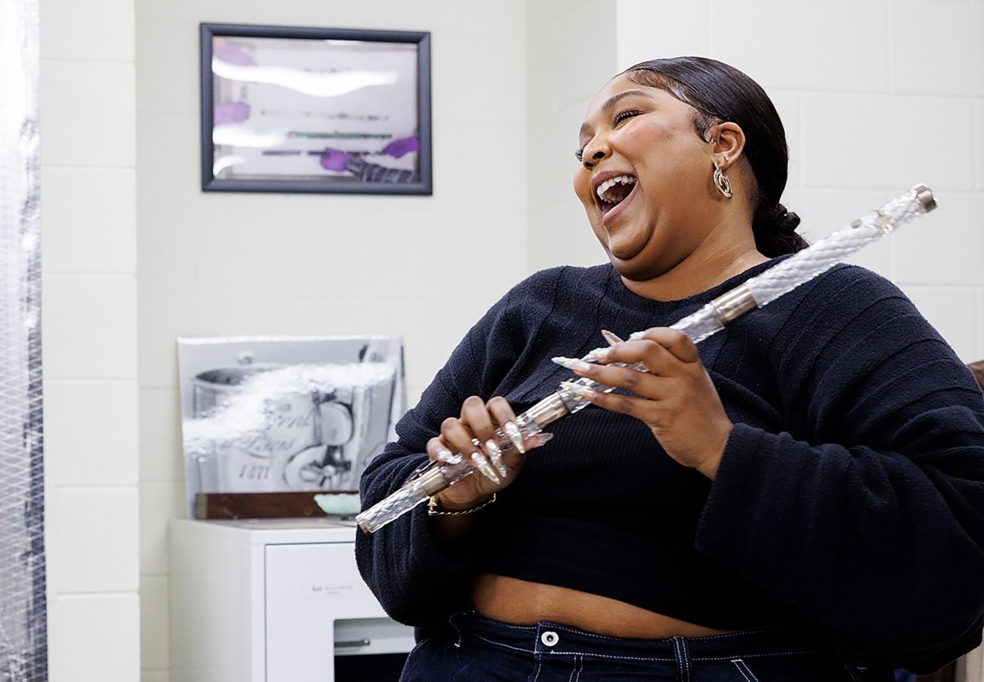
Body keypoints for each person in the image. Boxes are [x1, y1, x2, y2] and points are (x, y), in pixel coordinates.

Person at [355, 56, 984, 681]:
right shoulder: (540, 304)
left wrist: (721, 447)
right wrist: (453, 497)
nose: (593, 153)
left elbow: (960, 539)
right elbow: (388, 490)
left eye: (625, 116)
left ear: (724, 144)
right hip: (470, 663)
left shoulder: (835, 304)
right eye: (581, 151)